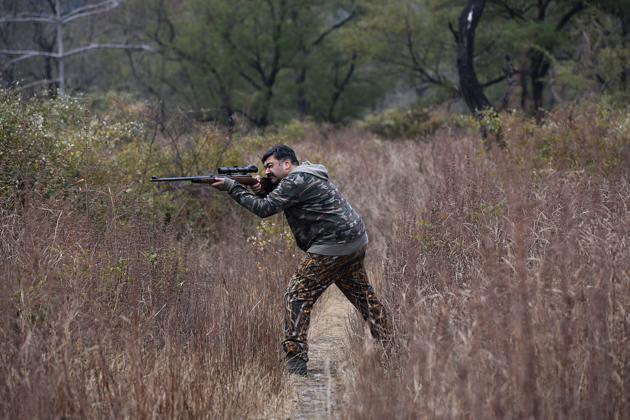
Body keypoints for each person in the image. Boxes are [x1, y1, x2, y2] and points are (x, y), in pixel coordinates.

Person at [210, 144, 389, 375]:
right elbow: (276, 198)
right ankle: (391, 344)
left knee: (297, 294)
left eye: (270, 166)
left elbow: (264, 209)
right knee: (364, 297)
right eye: (265, 168)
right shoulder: (305, 175)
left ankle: (295, 362)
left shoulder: (296, 180)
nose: (267, 172)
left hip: (333, 245)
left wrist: (232, 187)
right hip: (354, 241)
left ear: (287, 164)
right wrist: (258, 187)